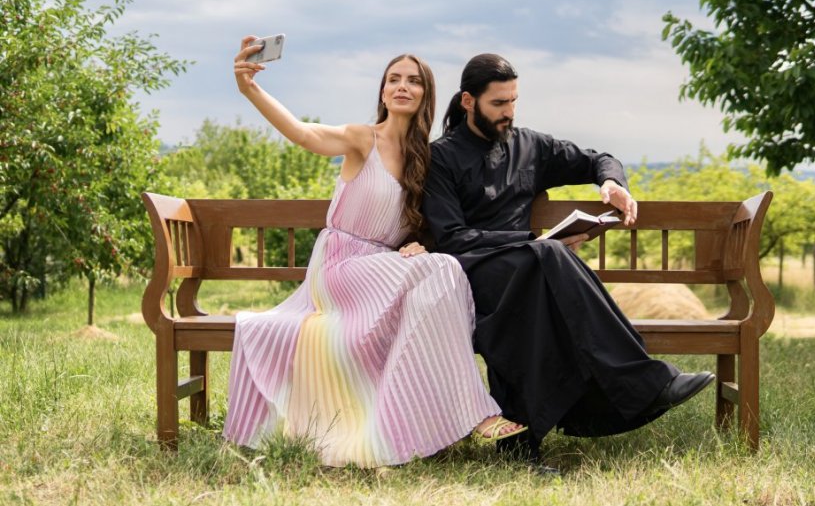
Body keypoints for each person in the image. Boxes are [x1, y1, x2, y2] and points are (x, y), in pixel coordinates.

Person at [224, 39, 526, 468]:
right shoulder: (360, 139)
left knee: (441, 271)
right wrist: (249, 89)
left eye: (413, 81)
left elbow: (435, 222)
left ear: (425, 94)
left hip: (382, 268)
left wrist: (421, 243)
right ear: (383, 92)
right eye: (394, 79)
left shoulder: (427, 158)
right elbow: (303, 133)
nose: (402, 86)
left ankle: (418, 422)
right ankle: (476, 411)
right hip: (339, 266)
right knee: (442, 268)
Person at [423, 53, 715, 462]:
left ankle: (521, 447)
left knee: (537, 282)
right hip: (472, 275)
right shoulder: (440, 158)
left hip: (529, 273)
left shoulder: (530, 146)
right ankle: (640, 384)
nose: (509, 112)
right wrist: (532, 240)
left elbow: (599, 159)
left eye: (514, 101)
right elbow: (453, 238)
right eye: (499, 103)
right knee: (545, 258)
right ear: (468, 102)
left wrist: (611, 183)